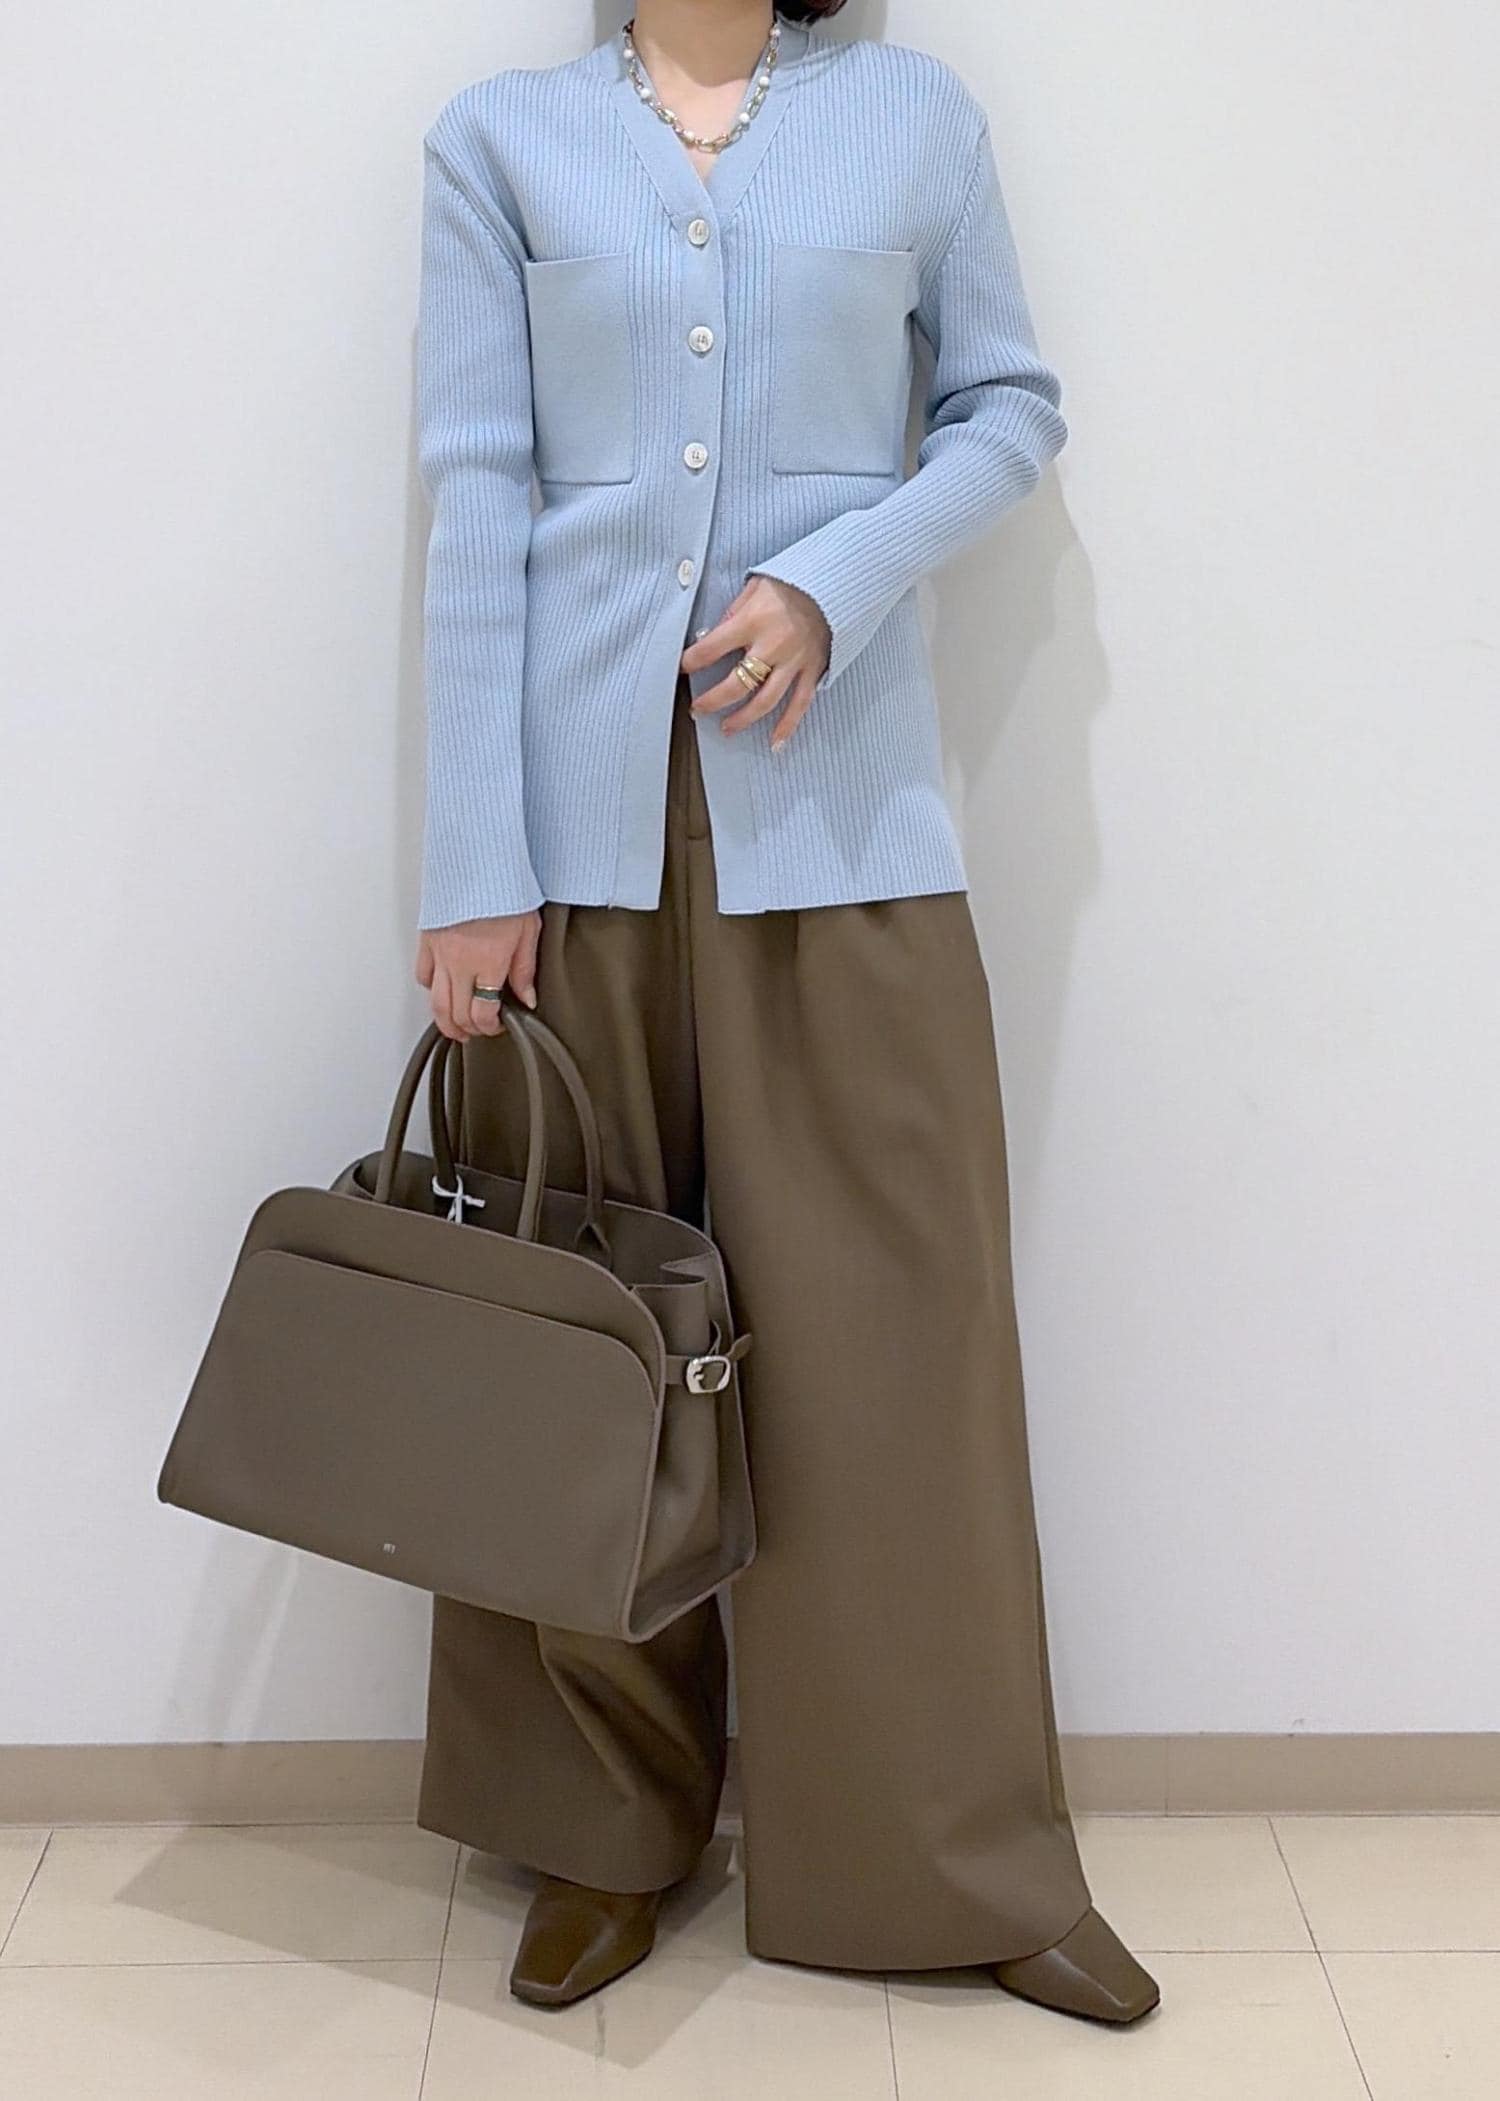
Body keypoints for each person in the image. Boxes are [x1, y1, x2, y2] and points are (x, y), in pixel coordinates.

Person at [408, 0, 1159, 2025]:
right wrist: (471, 857)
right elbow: (476, 485)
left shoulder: (916, 120)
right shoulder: (499, 140)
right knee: (582, 1351)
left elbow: (1005, 407)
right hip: (569, 854)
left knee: (897, 1343)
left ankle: (948, 1853)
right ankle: (597, 1834)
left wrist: (837, 576)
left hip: (844, 824)